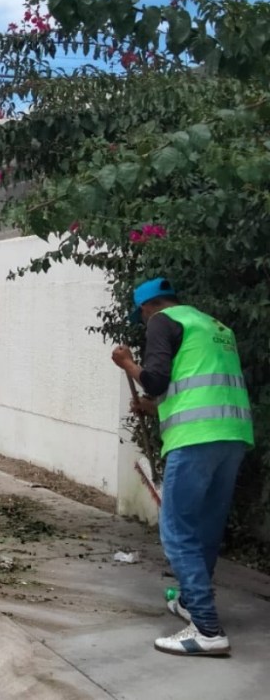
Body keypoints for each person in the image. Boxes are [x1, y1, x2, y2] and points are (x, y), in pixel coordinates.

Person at [112, 277, 253, 656]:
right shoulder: (213, 326)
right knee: (205, 527)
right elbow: (201, 387)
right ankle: (192, 602)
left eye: (140, 317)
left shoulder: (162, 321)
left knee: (176, 530)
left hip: (195, 438)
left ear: (147, 307)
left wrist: (128, 364)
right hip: (232, 435)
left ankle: (206, 630)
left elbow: (156, 379)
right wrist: (152, 408)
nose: (144, 324)